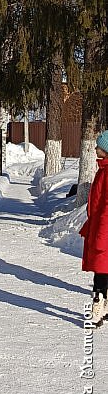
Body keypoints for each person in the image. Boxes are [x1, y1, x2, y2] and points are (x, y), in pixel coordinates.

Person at [79, 130, 108, 326]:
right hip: (99, 226)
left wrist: (101, 232)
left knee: (101, 271)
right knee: (103, 270)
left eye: (99, 146)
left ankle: (97, 309)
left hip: (104, 230)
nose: (95, 148)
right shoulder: (103, 169)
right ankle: (104, 305)